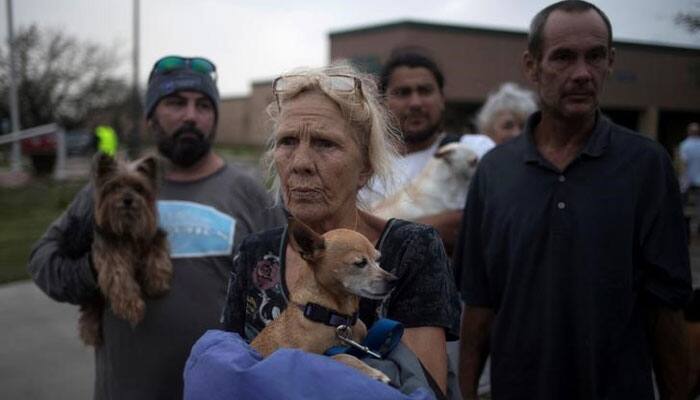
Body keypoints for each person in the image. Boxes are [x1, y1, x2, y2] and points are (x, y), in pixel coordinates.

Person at [457, 2, 692, 400]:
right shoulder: (495, 173)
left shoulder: (646, 166)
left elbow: (666, 310)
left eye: (595, 56)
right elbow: (479, 307)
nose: (582, 74)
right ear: (531, 66)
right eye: (563, 57)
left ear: (611, 61)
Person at [27, 55, 285, 399]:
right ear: (150, 117)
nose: (191, 116)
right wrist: (98, 267)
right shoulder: (111, 188)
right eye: (176, 103)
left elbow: (287, 286)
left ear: (214, 117)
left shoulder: (248, 194)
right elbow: (42, 262)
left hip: (223, 391)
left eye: (203, 106)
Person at [221, 63, 461, 397]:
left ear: (365, 167)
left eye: (324, 144)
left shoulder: (411, 249)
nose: (300, 163)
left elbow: (423, 388)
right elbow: (228, 378)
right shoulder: (254, 253)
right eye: (287, 141)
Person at [362, 51, 494, 254]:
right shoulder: (365, 171)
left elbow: (490, 220)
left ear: (442, 98)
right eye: (403, 93)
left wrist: (387, 233)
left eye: (425, 91)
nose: (415, 103)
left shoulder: (473, 150)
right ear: (382, 105)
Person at [679, 122, 700, 233]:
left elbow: (683, 164)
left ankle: (683, 227)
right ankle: (694, 227)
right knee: (698, 206)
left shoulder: (685, 145)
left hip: (687, 180)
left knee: (683, 205)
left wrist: (682, 179)